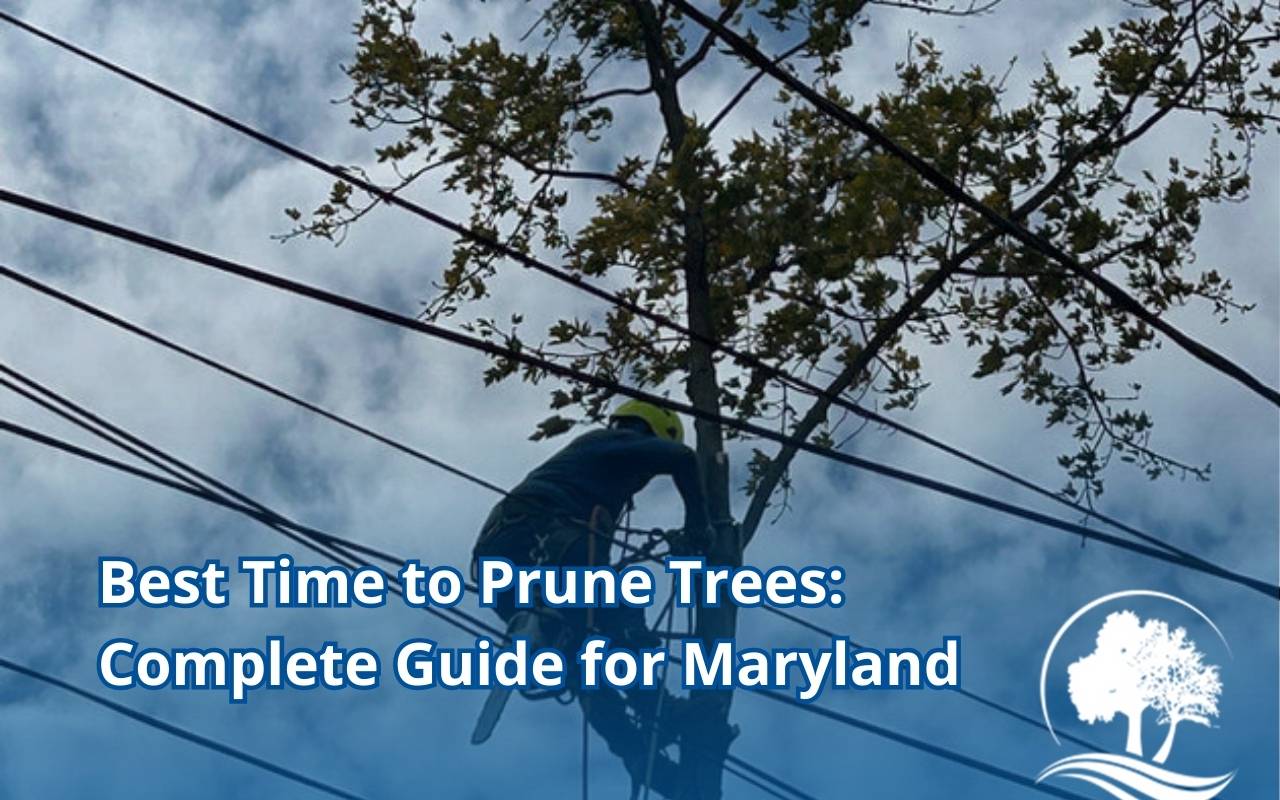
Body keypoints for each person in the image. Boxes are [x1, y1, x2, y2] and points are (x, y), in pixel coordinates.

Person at [471, 399, 718, 791]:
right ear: (648, 430)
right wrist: (699, 526)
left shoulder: (587, 468)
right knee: (620, 613)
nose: (643, 478)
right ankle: (660, 708)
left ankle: (639, 755)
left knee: (586, 664)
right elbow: (683, 458)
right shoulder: (609, 440)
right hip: (541, 536)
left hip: (501, 564)